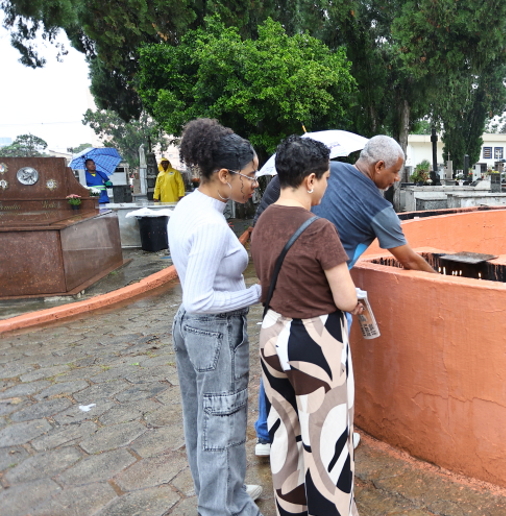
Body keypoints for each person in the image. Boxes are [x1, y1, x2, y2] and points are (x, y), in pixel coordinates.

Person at [251, 135, 435, 456]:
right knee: (329, 372)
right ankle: (332, 440)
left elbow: (274, 195)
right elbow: (408, 260)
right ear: (379, 166)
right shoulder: (378, 208)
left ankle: (268, 436)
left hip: (282, 289)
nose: (395, 180)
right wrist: (439, 281)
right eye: (395, 173)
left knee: (278, 357)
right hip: (323, 301)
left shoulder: (327, 169)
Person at [251, 135, 362, 516]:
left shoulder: (263, 220)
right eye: (327, 178)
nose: (328, 186)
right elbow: (346, 299)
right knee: (327, 438)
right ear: (311, 180)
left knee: (285, 431)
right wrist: (357, 300)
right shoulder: (319, 229)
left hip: (272, 333)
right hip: (314, 342)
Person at [167, 118, 265, 516]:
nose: (255, 183)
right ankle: (226, 508)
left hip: (193, 332)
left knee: (200, 420)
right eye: (251, 175)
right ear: (224, 175)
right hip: (214, 331)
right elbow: (200, 299)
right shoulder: (209, 224)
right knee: (221, 426)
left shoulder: (190, 206)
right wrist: (258, 292)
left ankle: (227, 493)